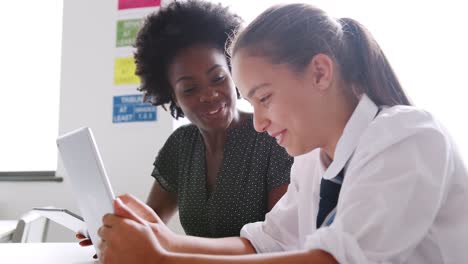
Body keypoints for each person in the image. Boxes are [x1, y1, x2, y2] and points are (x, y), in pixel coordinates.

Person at [97, 3, 468, 264]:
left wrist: (163, 260)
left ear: (320, 72)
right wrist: (166, 242)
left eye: (264, 97)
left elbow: (336, 259)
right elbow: (267, 243)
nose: (258, 122)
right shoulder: (311, 162)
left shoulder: (408, 137)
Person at [103, 0, 292, 239]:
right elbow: (151, 221)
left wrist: (172, 252)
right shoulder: (181, 145)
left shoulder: (271, 137)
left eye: (217, 78)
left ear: (233, 72)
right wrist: (113, 230)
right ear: (173, 95)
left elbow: (279, 241)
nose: (209, 95)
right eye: (190, 89)